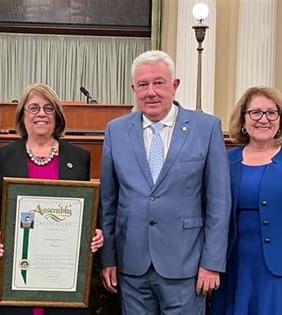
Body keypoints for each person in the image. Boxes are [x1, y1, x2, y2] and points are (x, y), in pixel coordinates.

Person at [98, 50, 231, 314]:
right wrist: (108, 259)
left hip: (186, 265)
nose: (151, 92)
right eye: (143, 85)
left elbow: (219, 201)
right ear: (133, 89)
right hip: (131, 264)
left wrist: (212, 263)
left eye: (158, 82)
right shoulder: (116, 130)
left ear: (175, 85)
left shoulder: (206, 128)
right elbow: (108, 202)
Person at [0, 83, 104, 315]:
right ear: (22, 115)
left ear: (57, 116)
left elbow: (86, 213)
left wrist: (95, 233)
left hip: (63, 281)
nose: (41, 114)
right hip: (14, 279)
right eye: (34, 108)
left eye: (49, 108)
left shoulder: (78, 158)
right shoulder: (1, 157)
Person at [210, 87, 282, 315]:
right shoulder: (225, 161)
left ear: (281, 120)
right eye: (255, 113)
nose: (263, 119)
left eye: (271, 113)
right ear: (243, 119)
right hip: (234, 271)